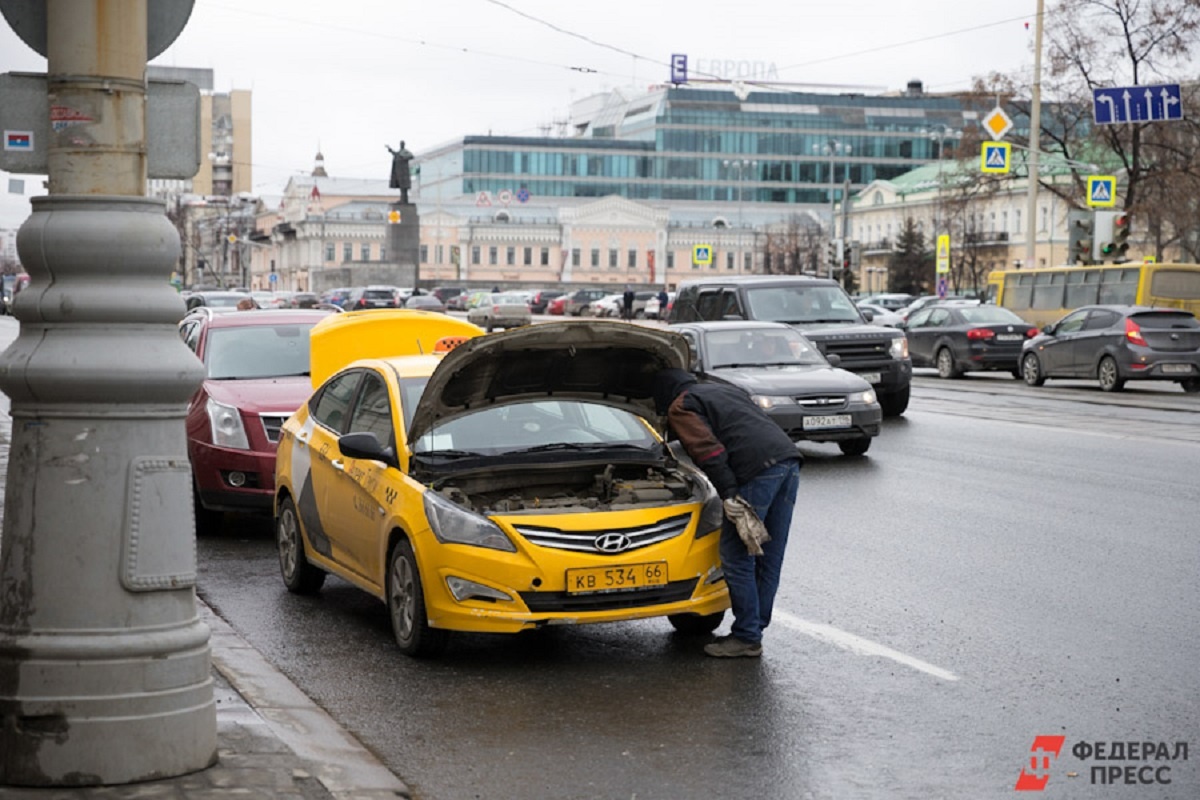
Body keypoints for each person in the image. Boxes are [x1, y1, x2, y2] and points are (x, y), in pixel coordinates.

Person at [652, 367, 802, 658]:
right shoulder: (723, 389)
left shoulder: (681, 405)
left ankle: (747, 635)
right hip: (788, 461)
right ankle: (754, 628)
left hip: (756, 471)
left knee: (737, 554)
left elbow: (708, 451)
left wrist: (729, 494)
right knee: (768, 553)